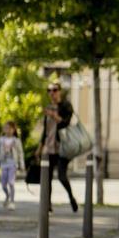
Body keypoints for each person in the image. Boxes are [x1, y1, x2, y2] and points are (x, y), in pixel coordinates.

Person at [37, 81, 78, 213]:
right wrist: (39, 147)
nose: (52, 93)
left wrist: (54, 116)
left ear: (59, 91)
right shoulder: (48, 107)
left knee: (61, 176)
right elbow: (46, 130)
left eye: (54, 90)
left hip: (62, 147)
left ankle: (71, 198)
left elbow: (66, 123)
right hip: (49, 148)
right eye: (49, 90)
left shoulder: (66, 106)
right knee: (47, 178)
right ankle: (47, 204)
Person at [0, 121, 25, 210]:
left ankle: (12, 202)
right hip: (3, 164)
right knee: (3, 184)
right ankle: (7, 196)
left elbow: (20, 153)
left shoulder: (16, 140)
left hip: (13, 164)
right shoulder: (1, 140)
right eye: (6, 128)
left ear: (14, 130)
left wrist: (22, 165)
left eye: (10, 128)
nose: (8, 130)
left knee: (11, 182)